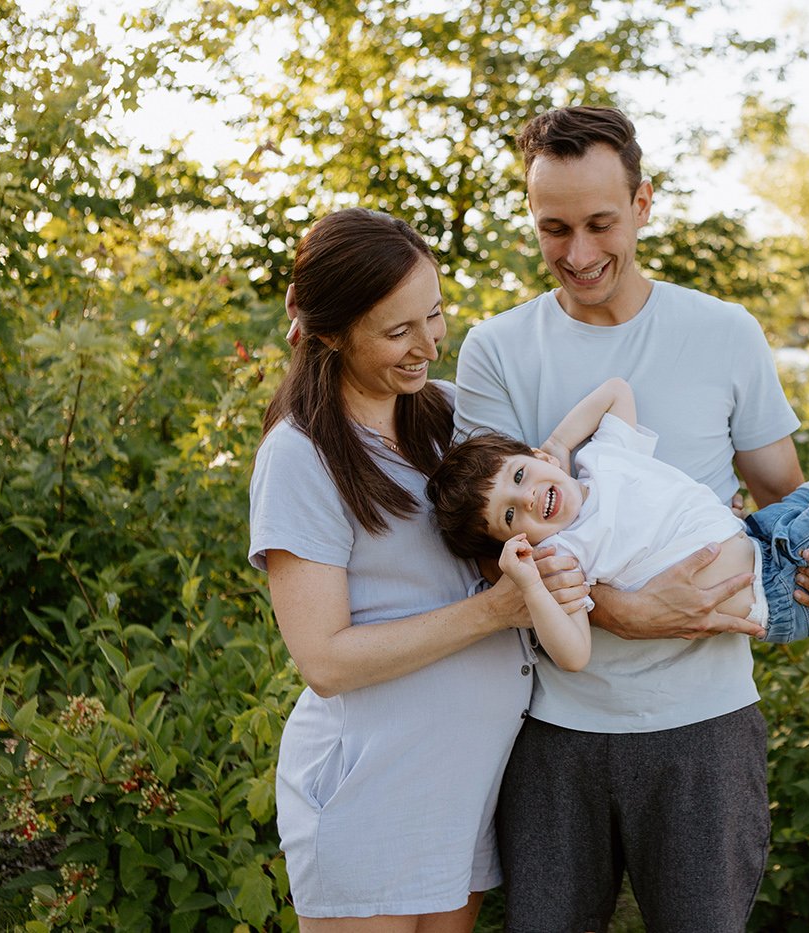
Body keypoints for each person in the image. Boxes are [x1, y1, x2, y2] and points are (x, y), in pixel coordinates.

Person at [451, 106, 809, 932]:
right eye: (554, 228)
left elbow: (786, 504)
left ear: (645, 203)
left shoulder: (723, 333)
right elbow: (484, 554)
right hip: (550, 733)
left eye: (600, 223)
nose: (577, 254)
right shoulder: (496, 350)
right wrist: (633, 613)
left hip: (706, 731)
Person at [247, 207, 587, 932]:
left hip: (460, 793)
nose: (429, 344)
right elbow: (325, 660)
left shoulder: (452, 419)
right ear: (330, 332)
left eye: (433, 314)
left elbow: (560, 503)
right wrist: (498, 610)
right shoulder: (301, 455)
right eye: (397, 331)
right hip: (371, 796)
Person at [431, 368, 809, 653]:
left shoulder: (601, 458)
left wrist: (562, 444)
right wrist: (529, 582)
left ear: (534, 457)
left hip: (759, 534)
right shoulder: (565, 554)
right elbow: (573, 654)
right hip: (774, 590)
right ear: (519, 542)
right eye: (511, 516)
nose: (528, 497)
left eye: (519, 475)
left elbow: (616, 390)